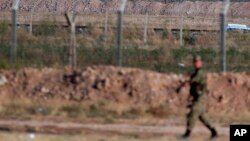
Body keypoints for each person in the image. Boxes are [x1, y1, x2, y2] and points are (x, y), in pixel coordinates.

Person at [176, 55, 218, 139]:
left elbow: (193, 81)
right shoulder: (195, 73)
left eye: (198, 62)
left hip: (201, 97)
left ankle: (187, 134)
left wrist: (184, 84)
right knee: (203, 116)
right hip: (197, 97)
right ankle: (214, 132)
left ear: (201, 63)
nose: (196, 63)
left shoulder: (200, 73)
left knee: (193, 112)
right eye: (195, 62)